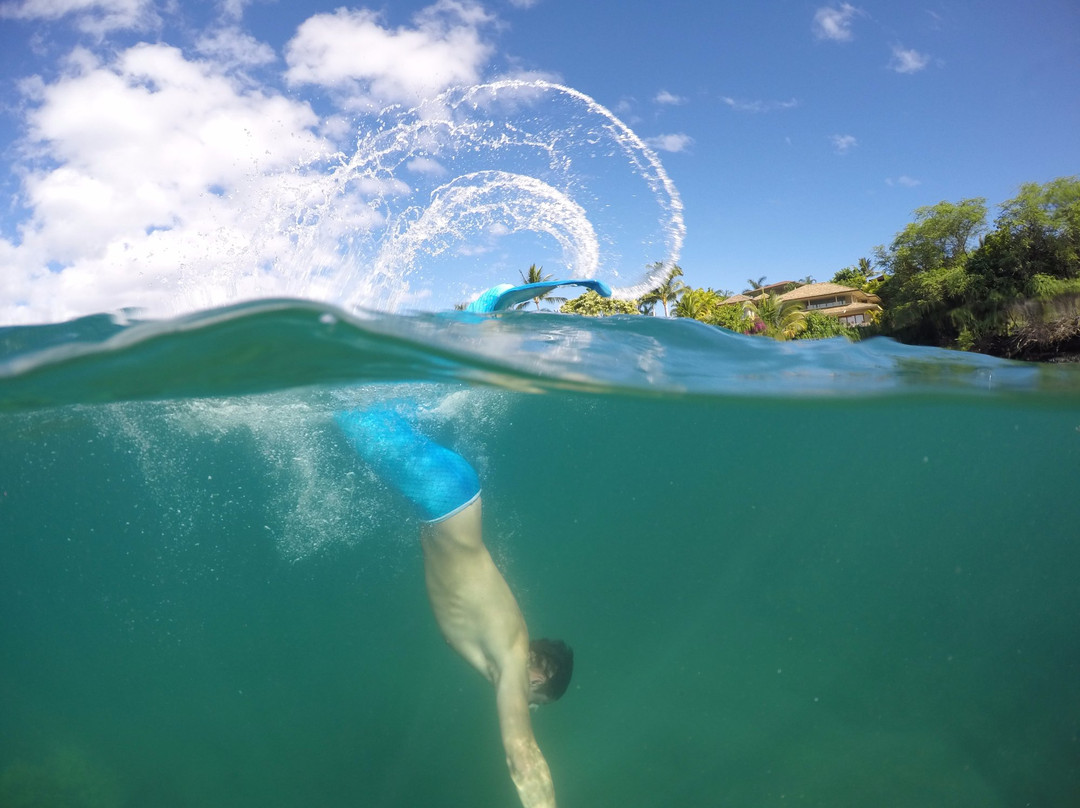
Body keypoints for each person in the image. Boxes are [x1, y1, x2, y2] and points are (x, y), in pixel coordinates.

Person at [334, 404, 573, 808]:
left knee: (355, 403)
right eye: (534, 702)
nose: (524, 704)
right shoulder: (513, 664)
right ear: (538, 678)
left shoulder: (507, 646)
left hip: (447, 495)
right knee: (339, 402)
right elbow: (521, 751)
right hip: (442, 494)